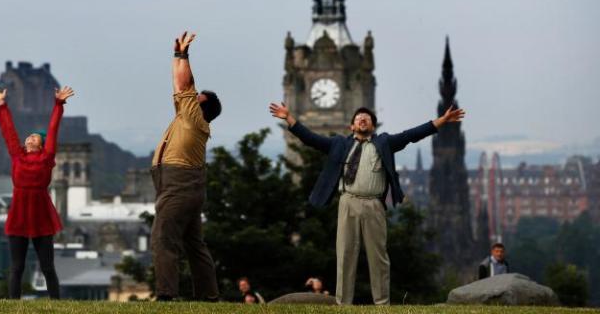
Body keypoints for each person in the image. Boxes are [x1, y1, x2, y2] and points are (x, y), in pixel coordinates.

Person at [269, 102, 465, 305]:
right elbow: (310, 139)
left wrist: (441, 121)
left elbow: (411, 135)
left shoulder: (384, 143)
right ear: (351, 126)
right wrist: (289, 118)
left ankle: (382, 304)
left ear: (373, 126)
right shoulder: (339, 144)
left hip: (373, 205)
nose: (362, 119)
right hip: (348, 202)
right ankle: (343, 303)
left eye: (367, 118)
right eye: (358, 118)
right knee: (345, 254)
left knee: (378, 256)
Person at [151, 32, 222, 301]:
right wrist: (177, 56)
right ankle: (209, 295)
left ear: (201, 108)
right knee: (194, 243)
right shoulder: (188, 116)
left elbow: (184, 84)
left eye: (197, 99)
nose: (190, 99)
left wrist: (182, 55)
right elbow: (180, 85)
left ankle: (166, 294)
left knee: (163, 238)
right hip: (184, 184)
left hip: (178, 184)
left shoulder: (193, 118)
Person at [0, 85, 74, 299]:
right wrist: (1, 104)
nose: (30, 138)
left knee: (47, 267)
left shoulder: (47, 158)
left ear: (42, 145)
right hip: (19, 213)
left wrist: (58, 104)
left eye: (35, 137)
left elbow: (53, 130)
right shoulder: (17, 155)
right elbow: (8, 131)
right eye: (29, 136)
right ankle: (13, 305)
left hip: (41, 213)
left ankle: (56, 304)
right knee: (17, 267)